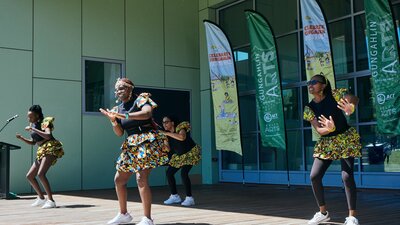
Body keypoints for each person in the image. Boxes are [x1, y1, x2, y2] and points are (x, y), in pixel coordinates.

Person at [100, 78, 169, 225]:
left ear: (130, 89)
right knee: (119, 179)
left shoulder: (141, 99)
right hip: (131, 143)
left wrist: (124, 116)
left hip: (147, 140)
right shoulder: (118, 109)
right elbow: (119, 133)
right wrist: (113, 120)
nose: (118, 91)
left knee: (141, 177)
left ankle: (147, 218)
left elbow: (147, 114)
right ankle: (123, 214)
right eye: (116, 89)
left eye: (121, 88)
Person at [303, 74, 362, 225]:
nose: (311, 84)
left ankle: (352, 217)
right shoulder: (309, 108)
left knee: (346, 176)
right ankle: (323, 213)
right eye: (309, 82)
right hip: (327, 141)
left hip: (344, 137)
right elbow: (319, 130)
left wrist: (351, 106)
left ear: (323, 86)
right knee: (314, 176)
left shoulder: (335, 94)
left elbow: (353, 98)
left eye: (314, 82)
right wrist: (329, 129)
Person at [15, 105, 64, 209]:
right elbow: (33, 142)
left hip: (51, 148)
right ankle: (41, 198)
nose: (29, 119)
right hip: (42, 149)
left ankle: (51, 201)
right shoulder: (33, 124)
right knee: (30, 176)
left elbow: (48, 136)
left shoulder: (45, 122)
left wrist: (33, 128)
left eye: (31, 117)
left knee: (41, 174)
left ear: (37, 115)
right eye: (28, 117)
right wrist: (22, 138)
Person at [162, 115, 201, 206]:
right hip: (179, 156)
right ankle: (174, 196)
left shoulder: (180, 127)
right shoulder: (166, 134)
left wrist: (166, 134)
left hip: (190, 153)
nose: (164, 124)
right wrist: (162, 142)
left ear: (172, 123)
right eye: (163, 123)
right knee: (169, 173)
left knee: (184, 173)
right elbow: (167, 149)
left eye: (166, 122)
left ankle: (189, 198)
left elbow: (182, 137)